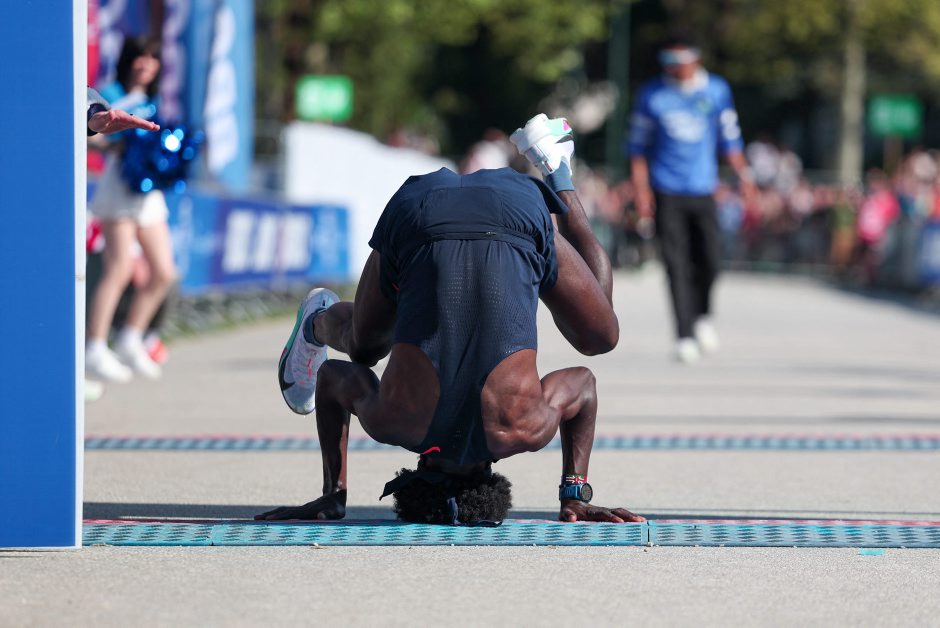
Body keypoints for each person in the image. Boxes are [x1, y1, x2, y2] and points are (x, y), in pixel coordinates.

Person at [257, 114, 645, 525]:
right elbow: (334, 376)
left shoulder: (523, 428)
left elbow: (583, 384)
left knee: (601, 337)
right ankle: (317, 321)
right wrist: (332, 496)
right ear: (418, 469)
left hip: (515, 210)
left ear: (491, 474)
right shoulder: (395, 423)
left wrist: (574, 496)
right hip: (420, 211)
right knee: (364, 348)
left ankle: (557, 170)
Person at [628, 34, 757, 363]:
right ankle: (684, 334)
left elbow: (730, 139)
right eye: (667, 62)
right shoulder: (651, 95)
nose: (673, 68)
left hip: (703, 188)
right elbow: (638, 149)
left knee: (710, 259)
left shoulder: (716, 90)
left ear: (695, 59)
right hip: (666, 189)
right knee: (676, 264)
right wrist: (641, 191)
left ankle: (702, 316)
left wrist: (744, 177)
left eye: (678, 61)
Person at [85, 36, 176, 383]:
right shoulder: (109, 92)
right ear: (129, 60)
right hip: (119, 186)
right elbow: (95, 134)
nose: (146, 64)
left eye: (152, 58)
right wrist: (116, 144)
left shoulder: (156, 99)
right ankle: (94, 346)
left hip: (149, 191)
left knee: (163, 272)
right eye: (140, 57)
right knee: (119, 268)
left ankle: (130, 338)